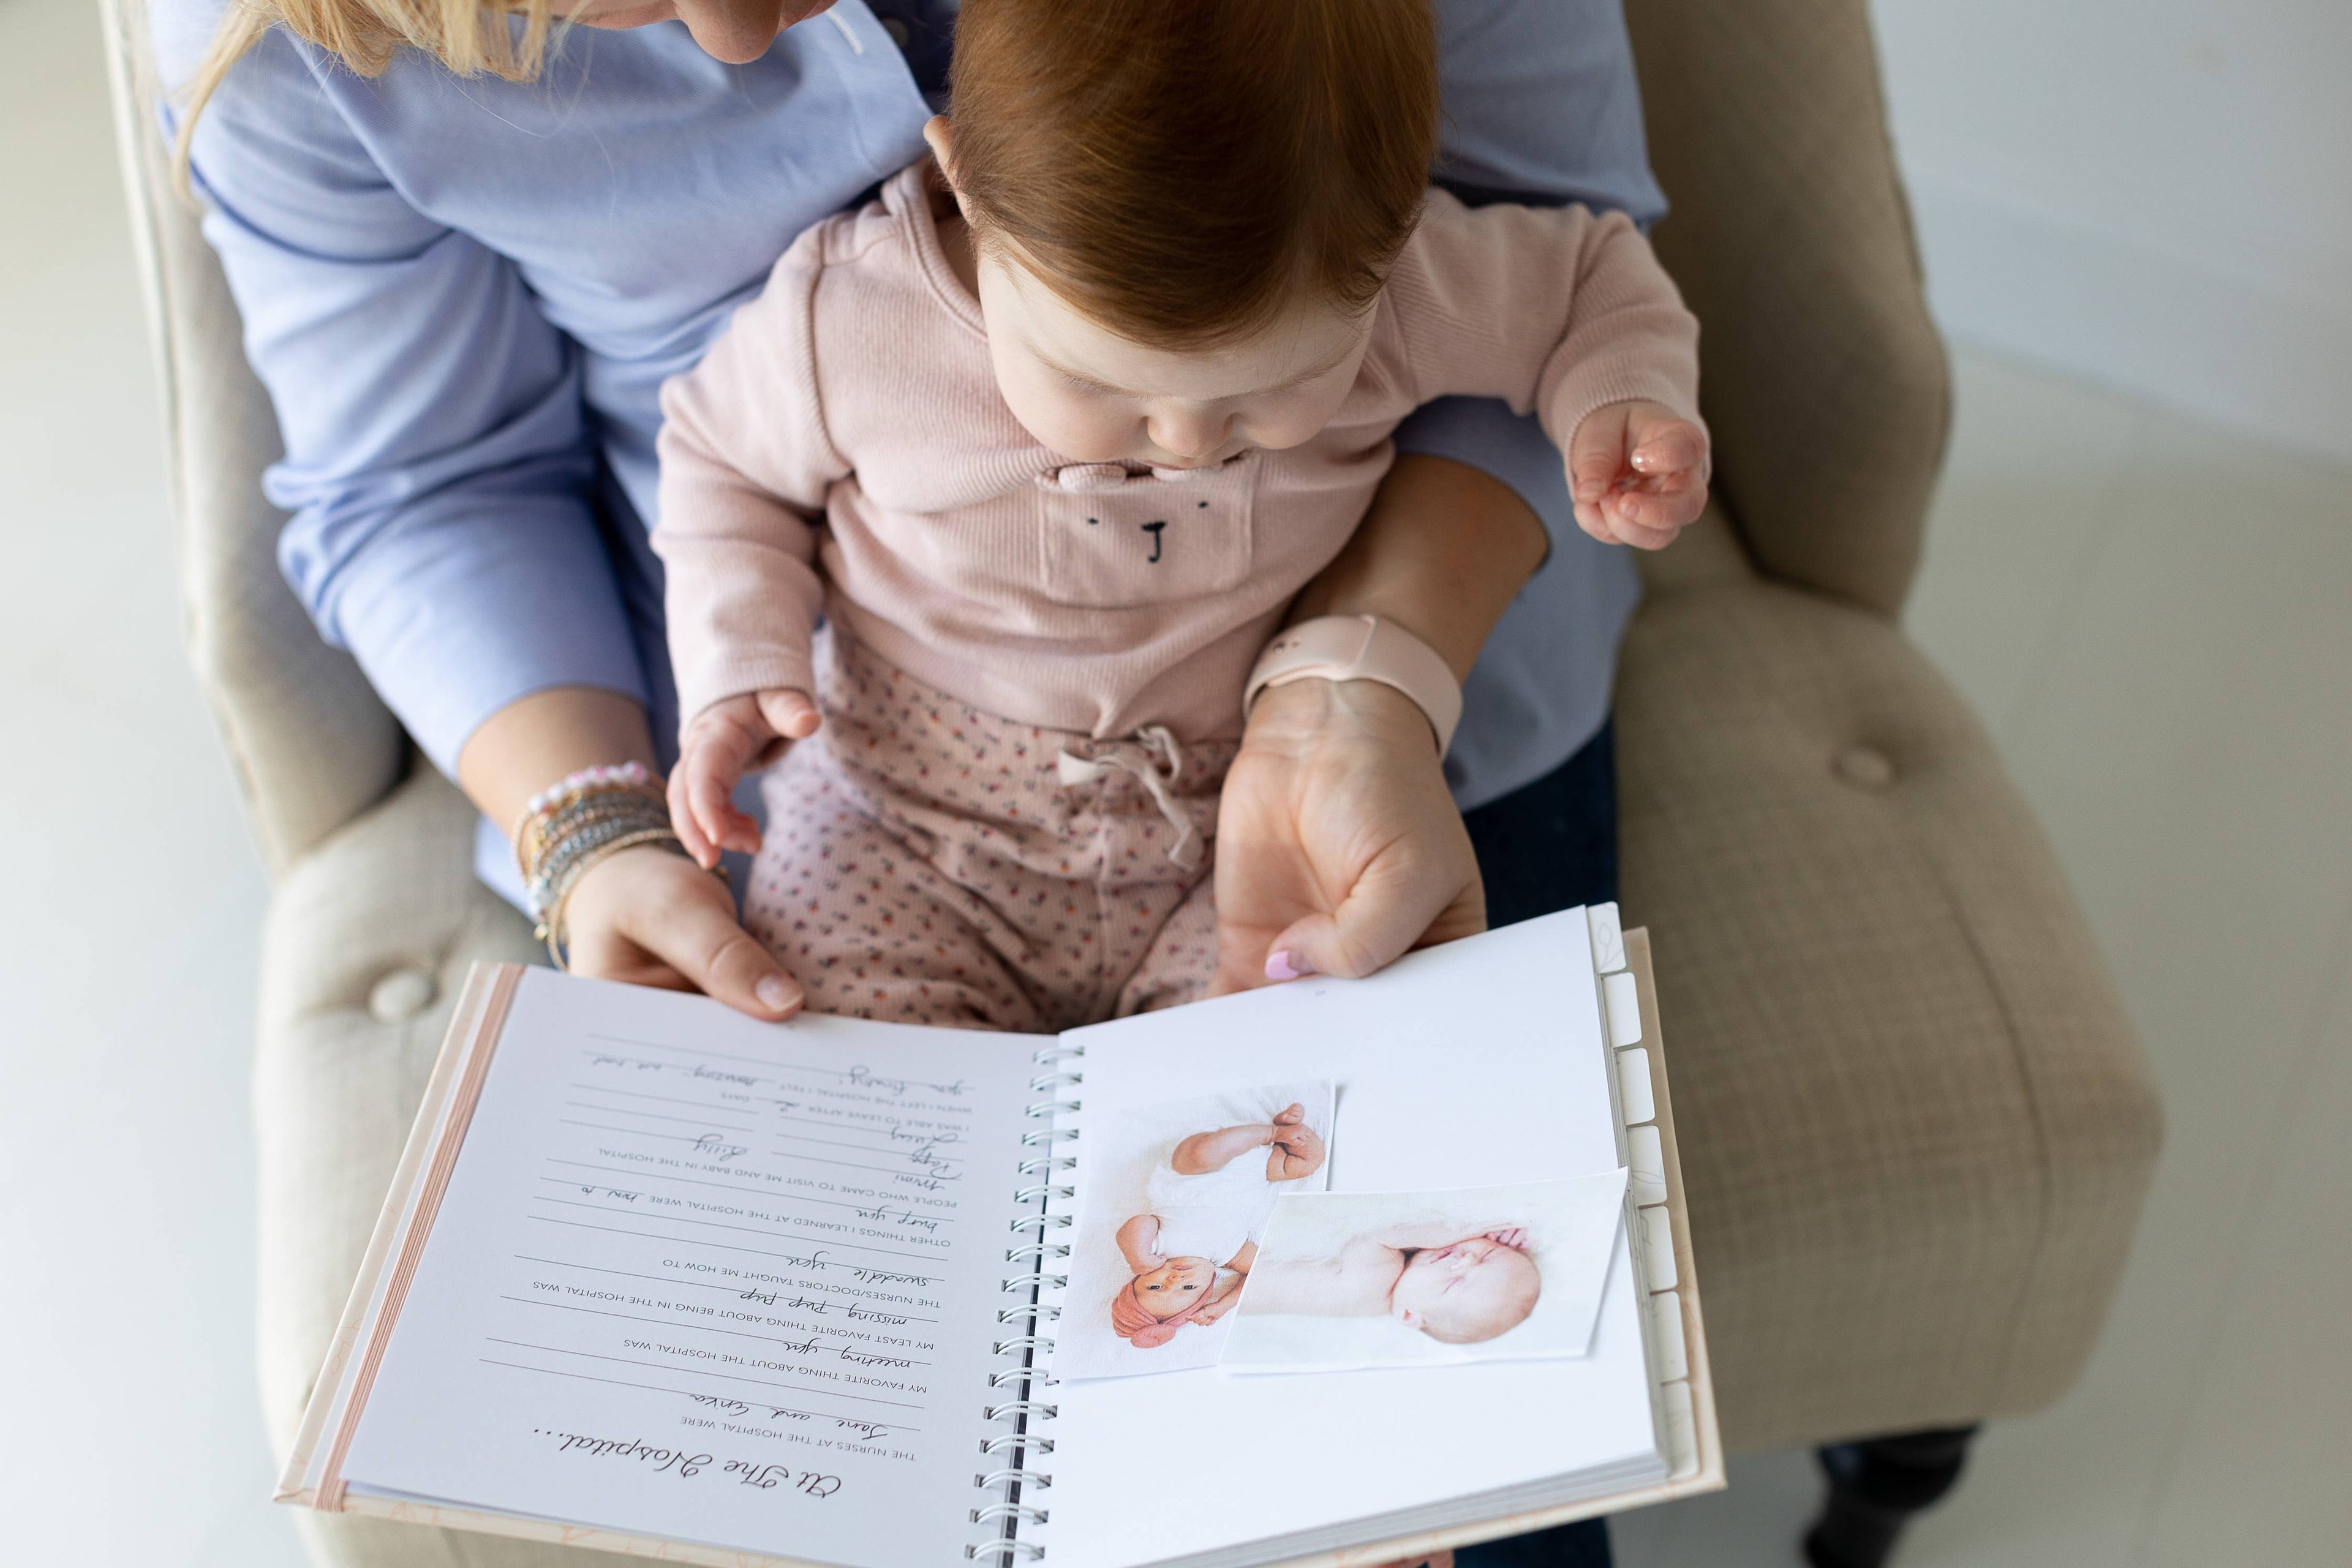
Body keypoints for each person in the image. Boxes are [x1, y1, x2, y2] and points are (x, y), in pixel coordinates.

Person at [160, 2, 1670, 1564]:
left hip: (1354, 704)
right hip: (869, 778)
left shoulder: (1367, 223)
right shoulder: (830, 320)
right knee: (823, 1343)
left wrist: (1372, 676)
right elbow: (435, 479)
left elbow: (1561, 260)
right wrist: (603, 813)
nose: (745, 38)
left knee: (1423, 1416)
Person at [654, 0, 1703, 1026]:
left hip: (1231, 838)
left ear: (1392, 237)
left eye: (1266, 395)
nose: (1192, 444)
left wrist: (1617, 400)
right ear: (965, 178)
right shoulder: (856, 320)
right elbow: (717, 465)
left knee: (1314, 1064)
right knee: (865, 1105)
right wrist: (739, 663)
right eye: (1103, 385)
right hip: (901, 833)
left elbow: (1589, 277)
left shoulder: (1384, 283)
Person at [1110, 1103, 1329, 1348]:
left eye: (1156, 1286)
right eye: (1188, 1287)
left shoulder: (1158, 1249)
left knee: (1203, 1154)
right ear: (1206, 1290)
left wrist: (1137, 1256)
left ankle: (1271, 1133)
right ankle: (1283, 1130)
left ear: (1137, 1279)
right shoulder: (1227, 1254)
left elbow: (1138, 1223)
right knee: (1306, 1163)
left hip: (1195, 1170)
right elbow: (1260, 1270)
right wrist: (1223, 1305)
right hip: (1251, 1172)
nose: (1175, 1279)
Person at [1241, 1223, 1543, 1345]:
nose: (1465, 1259)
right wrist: (1503, 1246)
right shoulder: (1385, 1298)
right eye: (1488, 1256)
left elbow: (1377, 1237)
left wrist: (1467, 1231)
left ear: (1409, 1315)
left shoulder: (1378, 1282)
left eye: (1455, 1283)